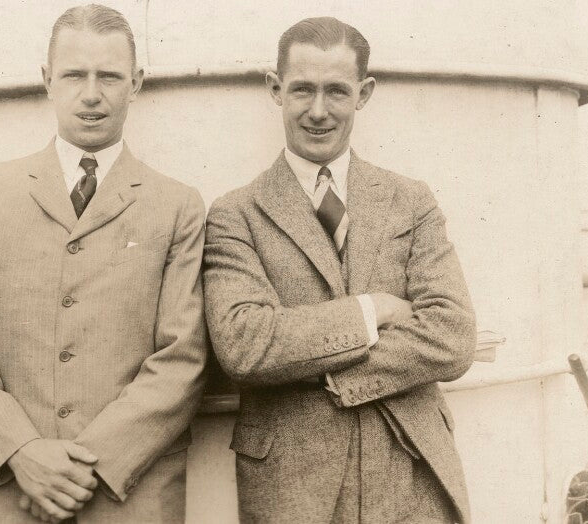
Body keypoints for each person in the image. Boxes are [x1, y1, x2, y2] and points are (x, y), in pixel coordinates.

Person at [0, 5, 208, 523]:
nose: (92, 94)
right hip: (12, 489)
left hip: (131, 491)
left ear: (136, 83)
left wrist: (82, 467)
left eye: (110, 76)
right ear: (47, 80)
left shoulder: (178, 206)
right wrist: (21, 451)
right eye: (75, 75)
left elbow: (183, 356)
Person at [203, 16, 476, 523]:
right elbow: (245, 345)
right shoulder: (235, 213)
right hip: (293, 483)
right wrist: (373, 311)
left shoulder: (409, 200)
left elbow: (453, 335)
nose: (318, 111)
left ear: (363, 93)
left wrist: (319, 366)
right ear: (275, 89)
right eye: (302, 90)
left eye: (337, 91)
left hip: (412, 467)